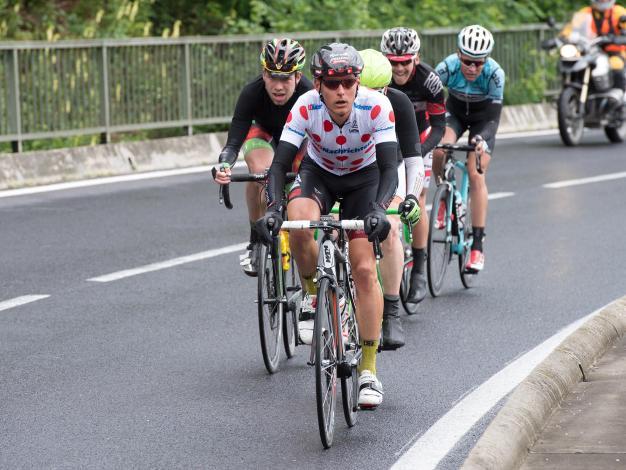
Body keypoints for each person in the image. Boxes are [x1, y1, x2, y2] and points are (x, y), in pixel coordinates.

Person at [256, 43, 398, 408]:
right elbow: (278, 166)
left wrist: (381, 210)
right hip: (319, 174)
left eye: (348, 83)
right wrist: (273, 209)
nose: (340, 92)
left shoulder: (376, 106)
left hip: (364, 180)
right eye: (332, 84)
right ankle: (311, 294)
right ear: (318, 84)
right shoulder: (305, 107)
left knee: (366, 269)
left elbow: (388, 169)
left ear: (357, 83)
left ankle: (369, 369)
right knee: (297, 222)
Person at [212, 38, 312, 276]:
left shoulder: (310, 94)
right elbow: (234, 140)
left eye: (285, 78)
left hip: (298, 137)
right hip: (264, 133)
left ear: (297, 77)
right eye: (272, 77)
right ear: (263, 74)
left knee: (304, 176)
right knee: (260, 173)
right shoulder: (252, 92)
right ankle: (256, 239)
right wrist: (225, 163)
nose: (278, 86)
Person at [358, 49, 424, 350]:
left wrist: (411, 196)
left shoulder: (399, 103)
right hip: (353, 169)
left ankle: (392, 310)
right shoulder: (338, 101)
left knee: (391, 228)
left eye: (376, 92)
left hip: (390, 168)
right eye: (362, 90)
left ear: (387, 89)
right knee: (332, 226)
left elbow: (413, 159)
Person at [381, 27, 447, 303]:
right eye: (393, 63)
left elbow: (440, 126)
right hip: (387, 139)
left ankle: (419, 268)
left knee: (417, 196)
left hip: (420, 139)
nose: (399, 69)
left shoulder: (430, 81)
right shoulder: (375, 78)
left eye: (405, 62)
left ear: (416, 59)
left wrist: (418, 154)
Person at [434, 25, 505, 272]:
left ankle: (477, 245)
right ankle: (444, 195)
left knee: (476, 173)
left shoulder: (495, 74)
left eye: (479, 63)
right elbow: (429, 100)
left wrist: (482, 139)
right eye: (467, 62)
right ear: (458, 54)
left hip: (483, 121)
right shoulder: (447, 67)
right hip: (454, 113)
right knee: (440, 149)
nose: (473, 68)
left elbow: (494, 121)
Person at [560, 0, 626, 96]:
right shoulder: (585, 12)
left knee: (616, 64)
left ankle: (618, 95)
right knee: (575, 61)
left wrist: (619, 37)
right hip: (591, 51)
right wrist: (562, 37)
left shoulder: (619, 12)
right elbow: (571, 28)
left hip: (615, 50)